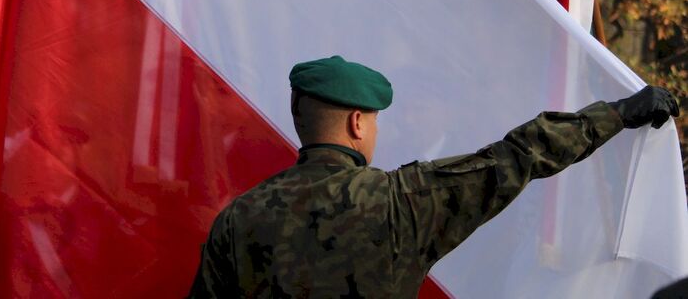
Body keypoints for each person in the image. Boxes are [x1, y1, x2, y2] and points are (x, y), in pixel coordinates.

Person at [188, 55, 680, 298]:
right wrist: (618, 113)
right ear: (358, 122)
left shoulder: (238, 221)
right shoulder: (402, 202)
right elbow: (519, 155)